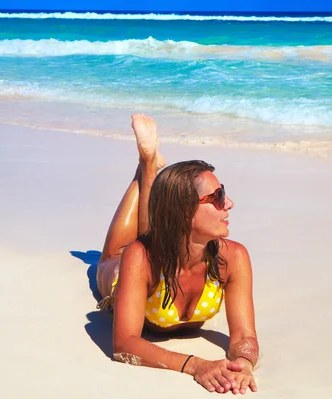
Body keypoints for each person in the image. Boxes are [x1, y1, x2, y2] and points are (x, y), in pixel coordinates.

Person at [95, 114, 258, 394]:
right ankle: (146, 167)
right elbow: (124, 344)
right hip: (121, 272)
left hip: (166, 243)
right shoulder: (138, 257)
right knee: (118, 254)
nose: (229, 203)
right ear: (185, 210)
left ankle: (150, 166)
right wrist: (196, 365)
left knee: (161, 238)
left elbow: (244, 336)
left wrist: (243, 361)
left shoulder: (234, 257)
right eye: (217, 197)